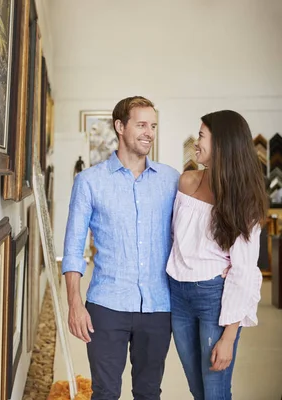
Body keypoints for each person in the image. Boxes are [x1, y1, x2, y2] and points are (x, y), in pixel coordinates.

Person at [63, 96, 180, 399]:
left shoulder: (170, 180)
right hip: (106, 306)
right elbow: (74, 248)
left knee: (149, 392)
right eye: (141, 124)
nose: (149, 132)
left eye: (153, 126)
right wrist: (75, 304)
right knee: (104, 393)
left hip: (158, 306)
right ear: (119, 126)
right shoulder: (89, 182)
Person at [166, 110, 267, 399]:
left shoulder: (242, 200)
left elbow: (244, 271)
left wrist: (229, 335)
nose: (196, 142)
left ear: (221, 144)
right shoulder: (185, 182)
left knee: (215, 391)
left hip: (214, 299)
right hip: (178, 295)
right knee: (197, 389)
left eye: (201, 136)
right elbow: (176, 238)